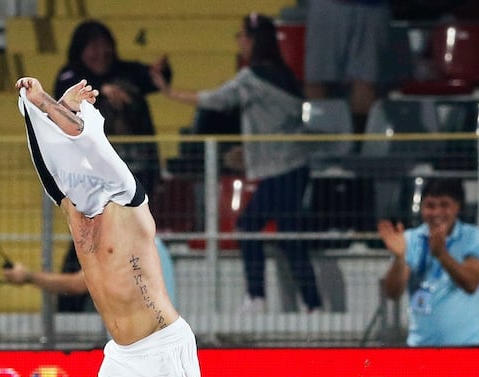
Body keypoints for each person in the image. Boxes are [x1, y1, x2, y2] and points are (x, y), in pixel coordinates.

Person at [15, 75, 292, 377]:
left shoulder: (126, 195)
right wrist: (32, 109)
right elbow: (47, 162)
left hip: (163, 348)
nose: (73, 179)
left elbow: (87, 142)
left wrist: (49, 104)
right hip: (121, 355)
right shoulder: (75, 210)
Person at [152, 13, 323, 314]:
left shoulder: (254, 78)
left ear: (254, 41)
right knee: (289, 235)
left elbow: (215, 99)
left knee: (248, 226)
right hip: (296, 165)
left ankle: (257, 297)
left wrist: (167, 92)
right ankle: (313, 304)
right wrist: (250, 151)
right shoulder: (284, 75)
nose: (238, 42)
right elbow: (277, 125)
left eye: (242, 36)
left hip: (281, 169)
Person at [54, 20, 168, 203]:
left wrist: (161, 71)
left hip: (137, 166)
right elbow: (64, 90)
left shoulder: (125, 72)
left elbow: (151, 78)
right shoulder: (69, 74)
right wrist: (100, 91)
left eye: (105, 48)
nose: (101, 54)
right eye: (94, 49)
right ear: (80, 51)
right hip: (90, 171)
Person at [377, 178, 479, 346]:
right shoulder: (411, 239)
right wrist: (400, 258)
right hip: (422, 346)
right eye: (430, 206)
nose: (437, 213)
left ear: (457, 207)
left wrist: (442, 255)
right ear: (422, 208)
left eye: (444, 205)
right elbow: (393, 293)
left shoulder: (473, 237)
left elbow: (471, 283)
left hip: (467, 346)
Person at [2, 237, 178, 310]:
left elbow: (76, 284)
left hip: (140, 349)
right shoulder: (156, 244)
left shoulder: (123, 249)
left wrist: (28, 276)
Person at [302, 0, 391, 135]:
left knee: (365, 82)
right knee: (318, 80)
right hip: (328, 6)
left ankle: (359, 146)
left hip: (372, 8)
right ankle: (317, 141)